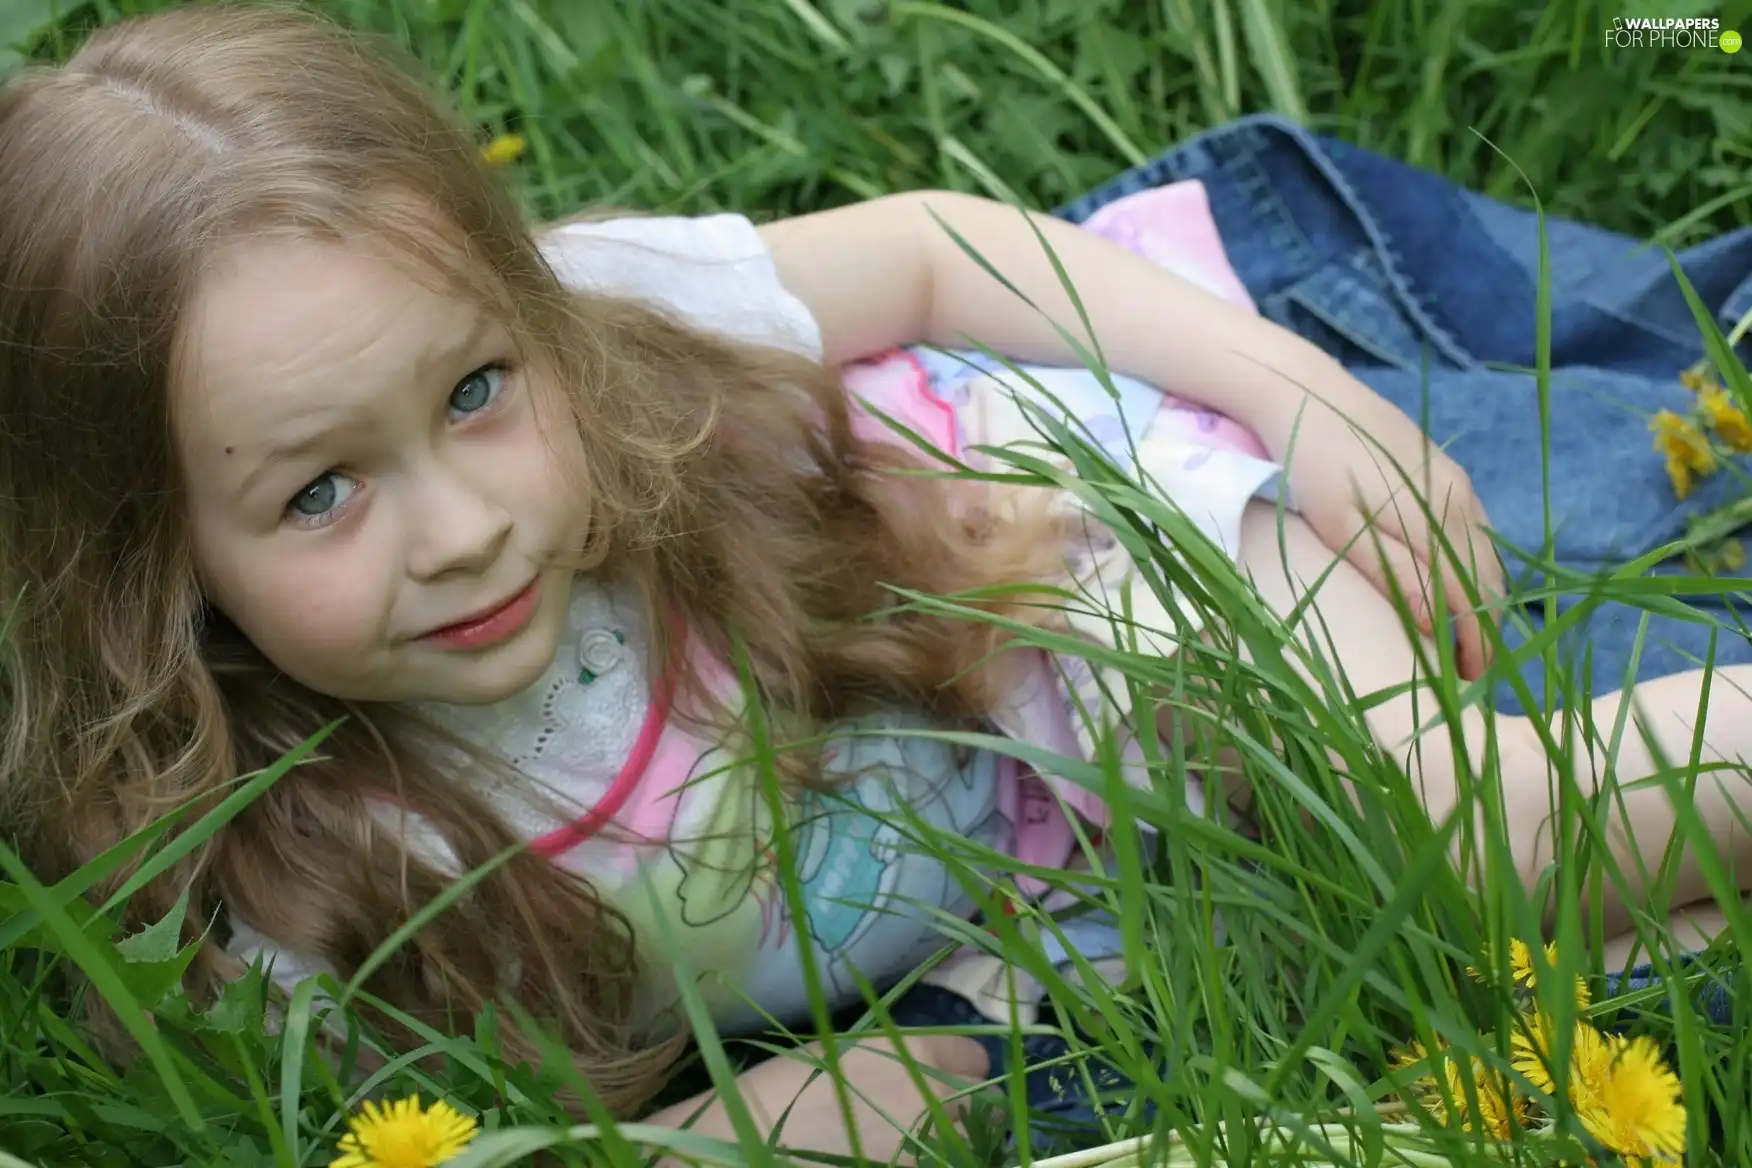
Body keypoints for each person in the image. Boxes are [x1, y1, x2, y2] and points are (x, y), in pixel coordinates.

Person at [0, 2, 1745, 1159]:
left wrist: (1309, 397)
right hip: (1040, 898)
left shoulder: (598, 302)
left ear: (525, 317)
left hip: (1049, 549)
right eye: (317, 493)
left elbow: (923, 246)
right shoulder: (265, 873)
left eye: (476, 393)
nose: (456, 525)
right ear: (152, 560)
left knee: (1452, 842)